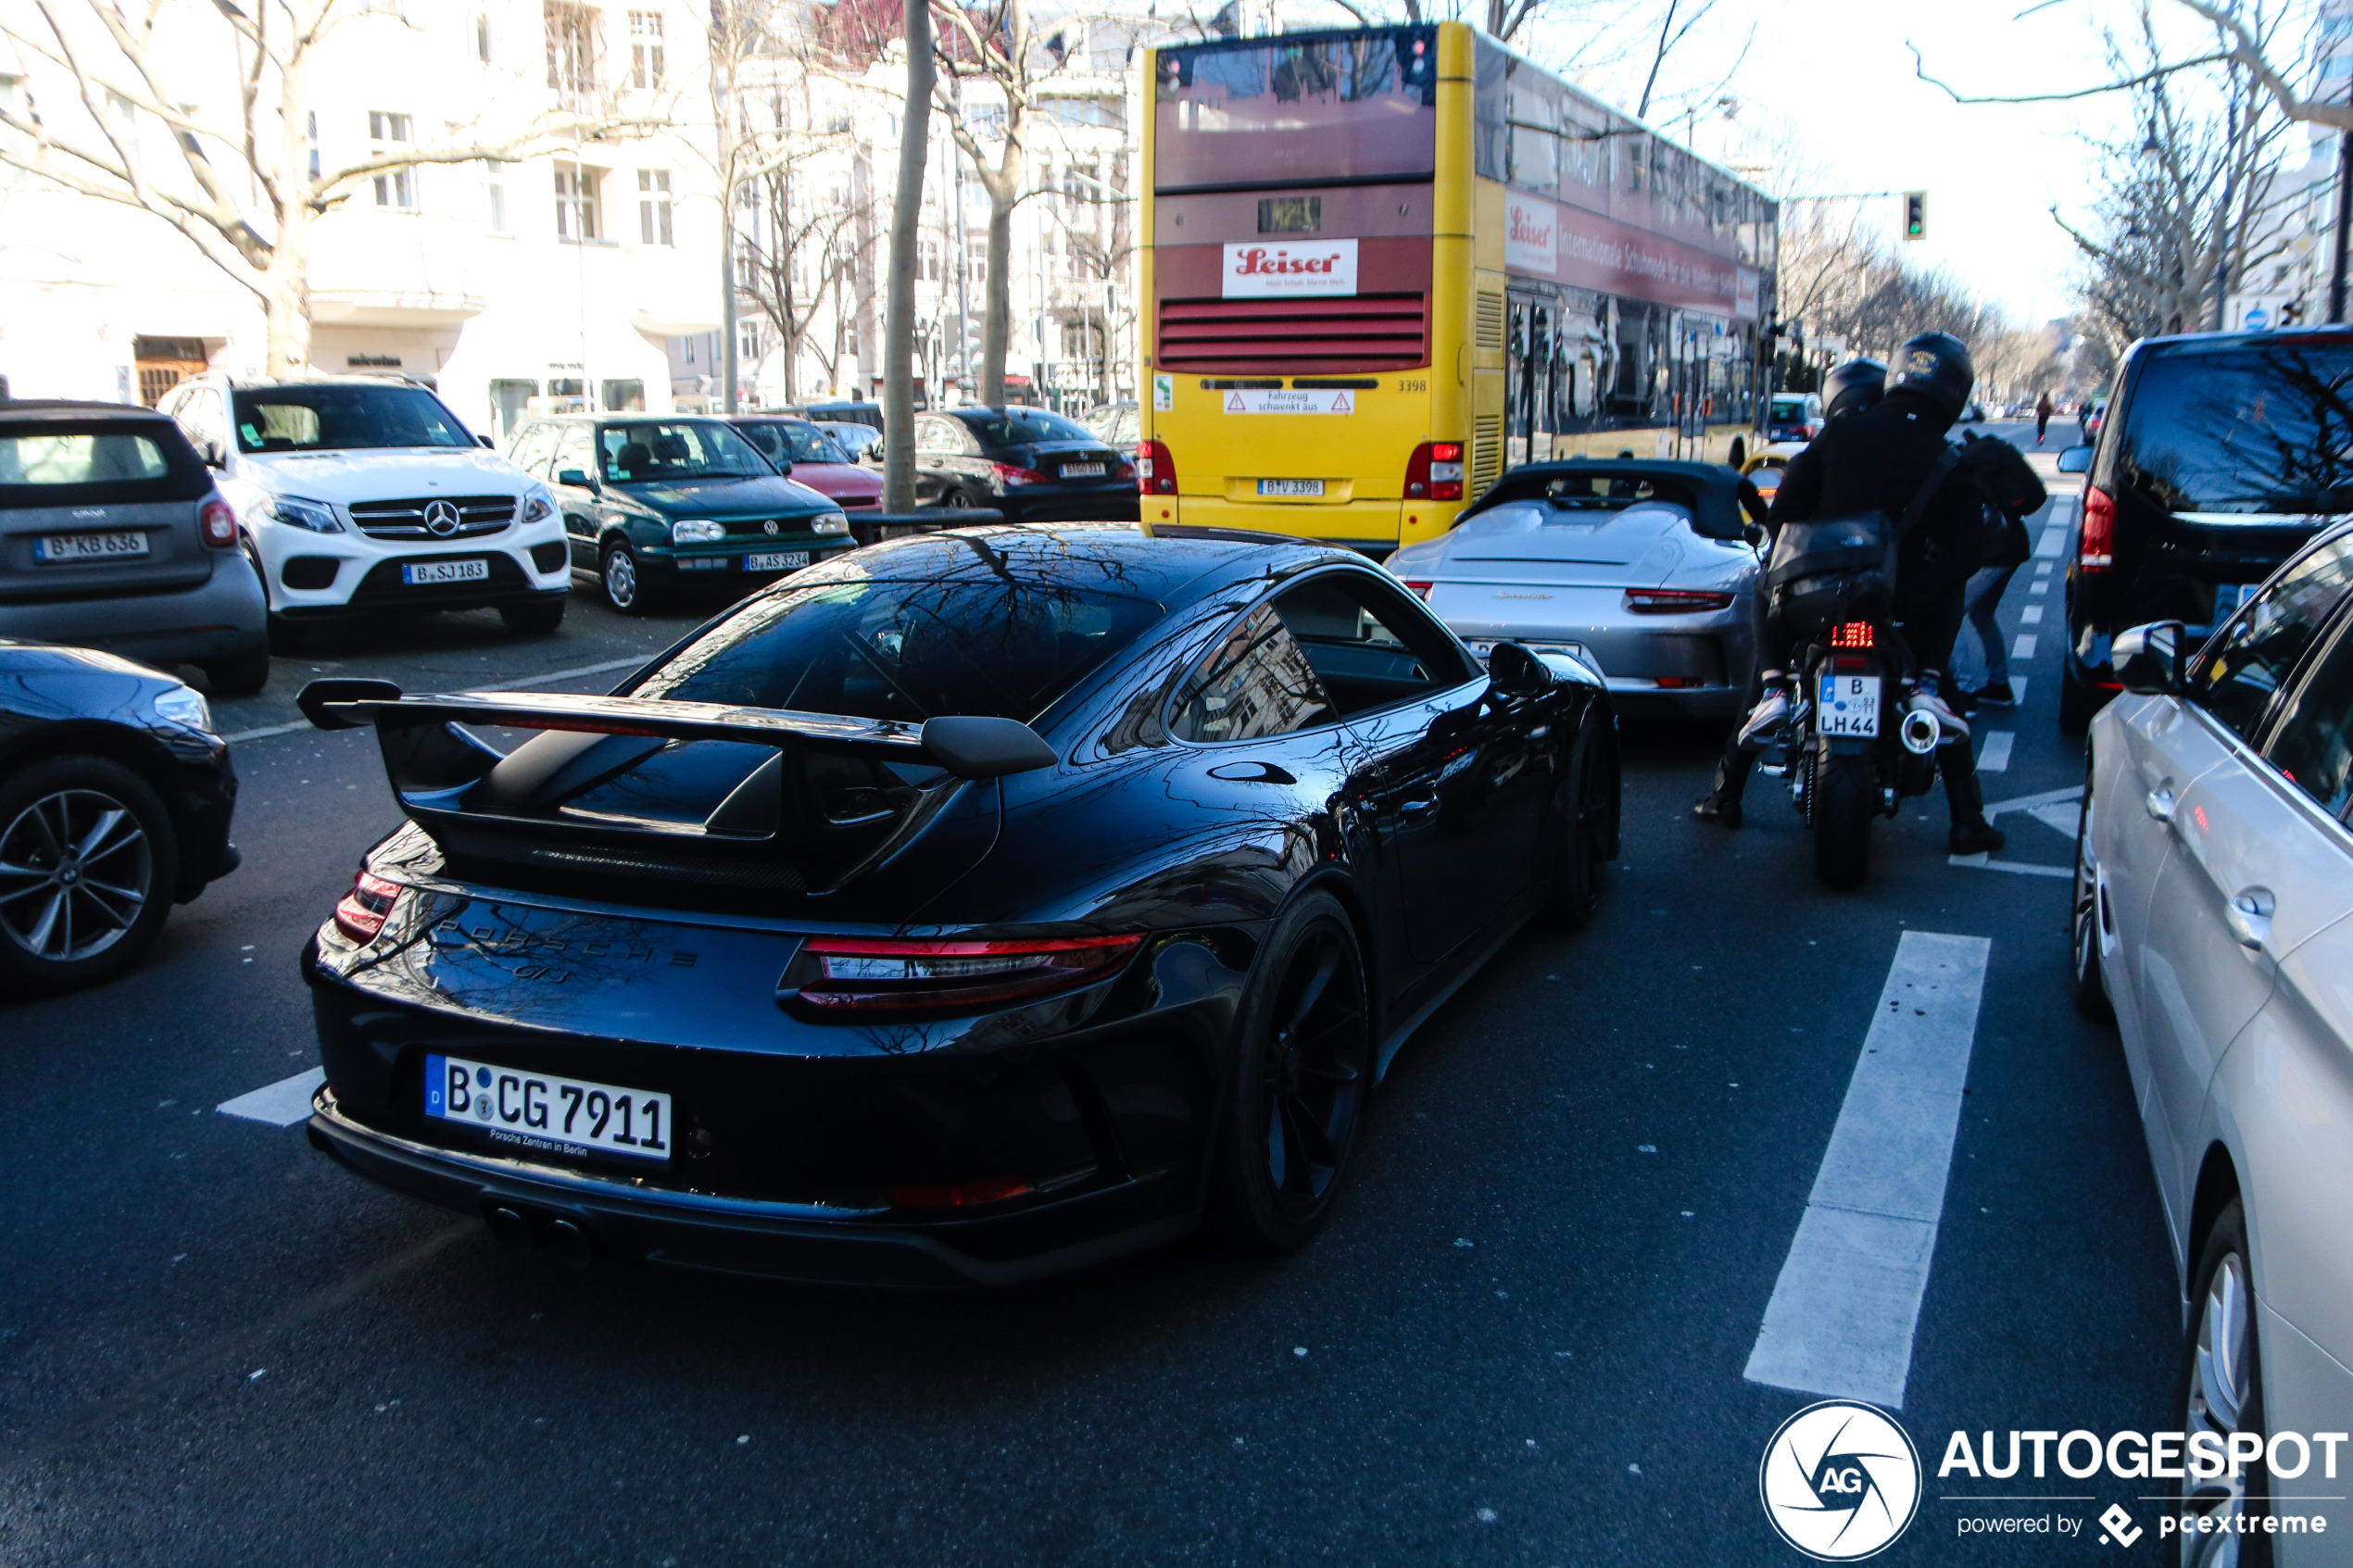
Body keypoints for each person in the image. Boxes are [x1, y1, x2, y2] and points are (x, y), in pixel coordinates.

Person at [1694, 333, 2007, 855]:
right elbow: (1968, 551)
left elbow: (1784, 514)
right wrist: (1911, 595)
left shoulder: (1840, 436)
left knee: (1763, 591)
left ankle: (1732, 782)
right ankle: (1966, 817)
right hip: (1899, 614)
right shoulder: (1953, 459)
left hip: (1817, 604)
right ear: (1956, 391)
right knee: (1940, 688)